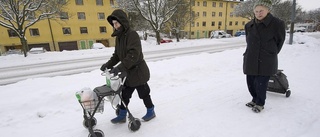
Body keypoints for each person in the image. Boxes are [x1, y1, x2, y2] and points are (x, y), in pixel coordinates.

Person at [100, 9, 155, 123]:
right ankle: (122, 115)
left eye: (116, 23)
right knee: (124, 95)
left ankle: (151, 111)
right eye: (113, 24)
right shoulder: (119, 37)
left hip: (138, 72)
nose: (115, 26)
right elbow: (117, 55)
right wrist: (108, 65)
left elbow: (133, 55)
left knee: (144, 94)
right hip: (128, 73)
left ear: (122, 21)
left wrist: (119, 68)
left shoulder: (132, 35)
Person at [243, 0, 286, 113]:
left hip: (266, 58)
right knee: (251, 81)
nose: (258, 13)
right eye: (256, 11)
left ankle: (260, 103)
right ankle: (254, 99)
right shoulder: (249, 25)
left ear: (268, 10)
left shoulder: (277, 24)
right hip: (251, 58)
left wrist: (270, 52)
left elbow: (279, 41)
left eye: (261, 11)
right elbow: (248, 41)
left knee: (261, 83)